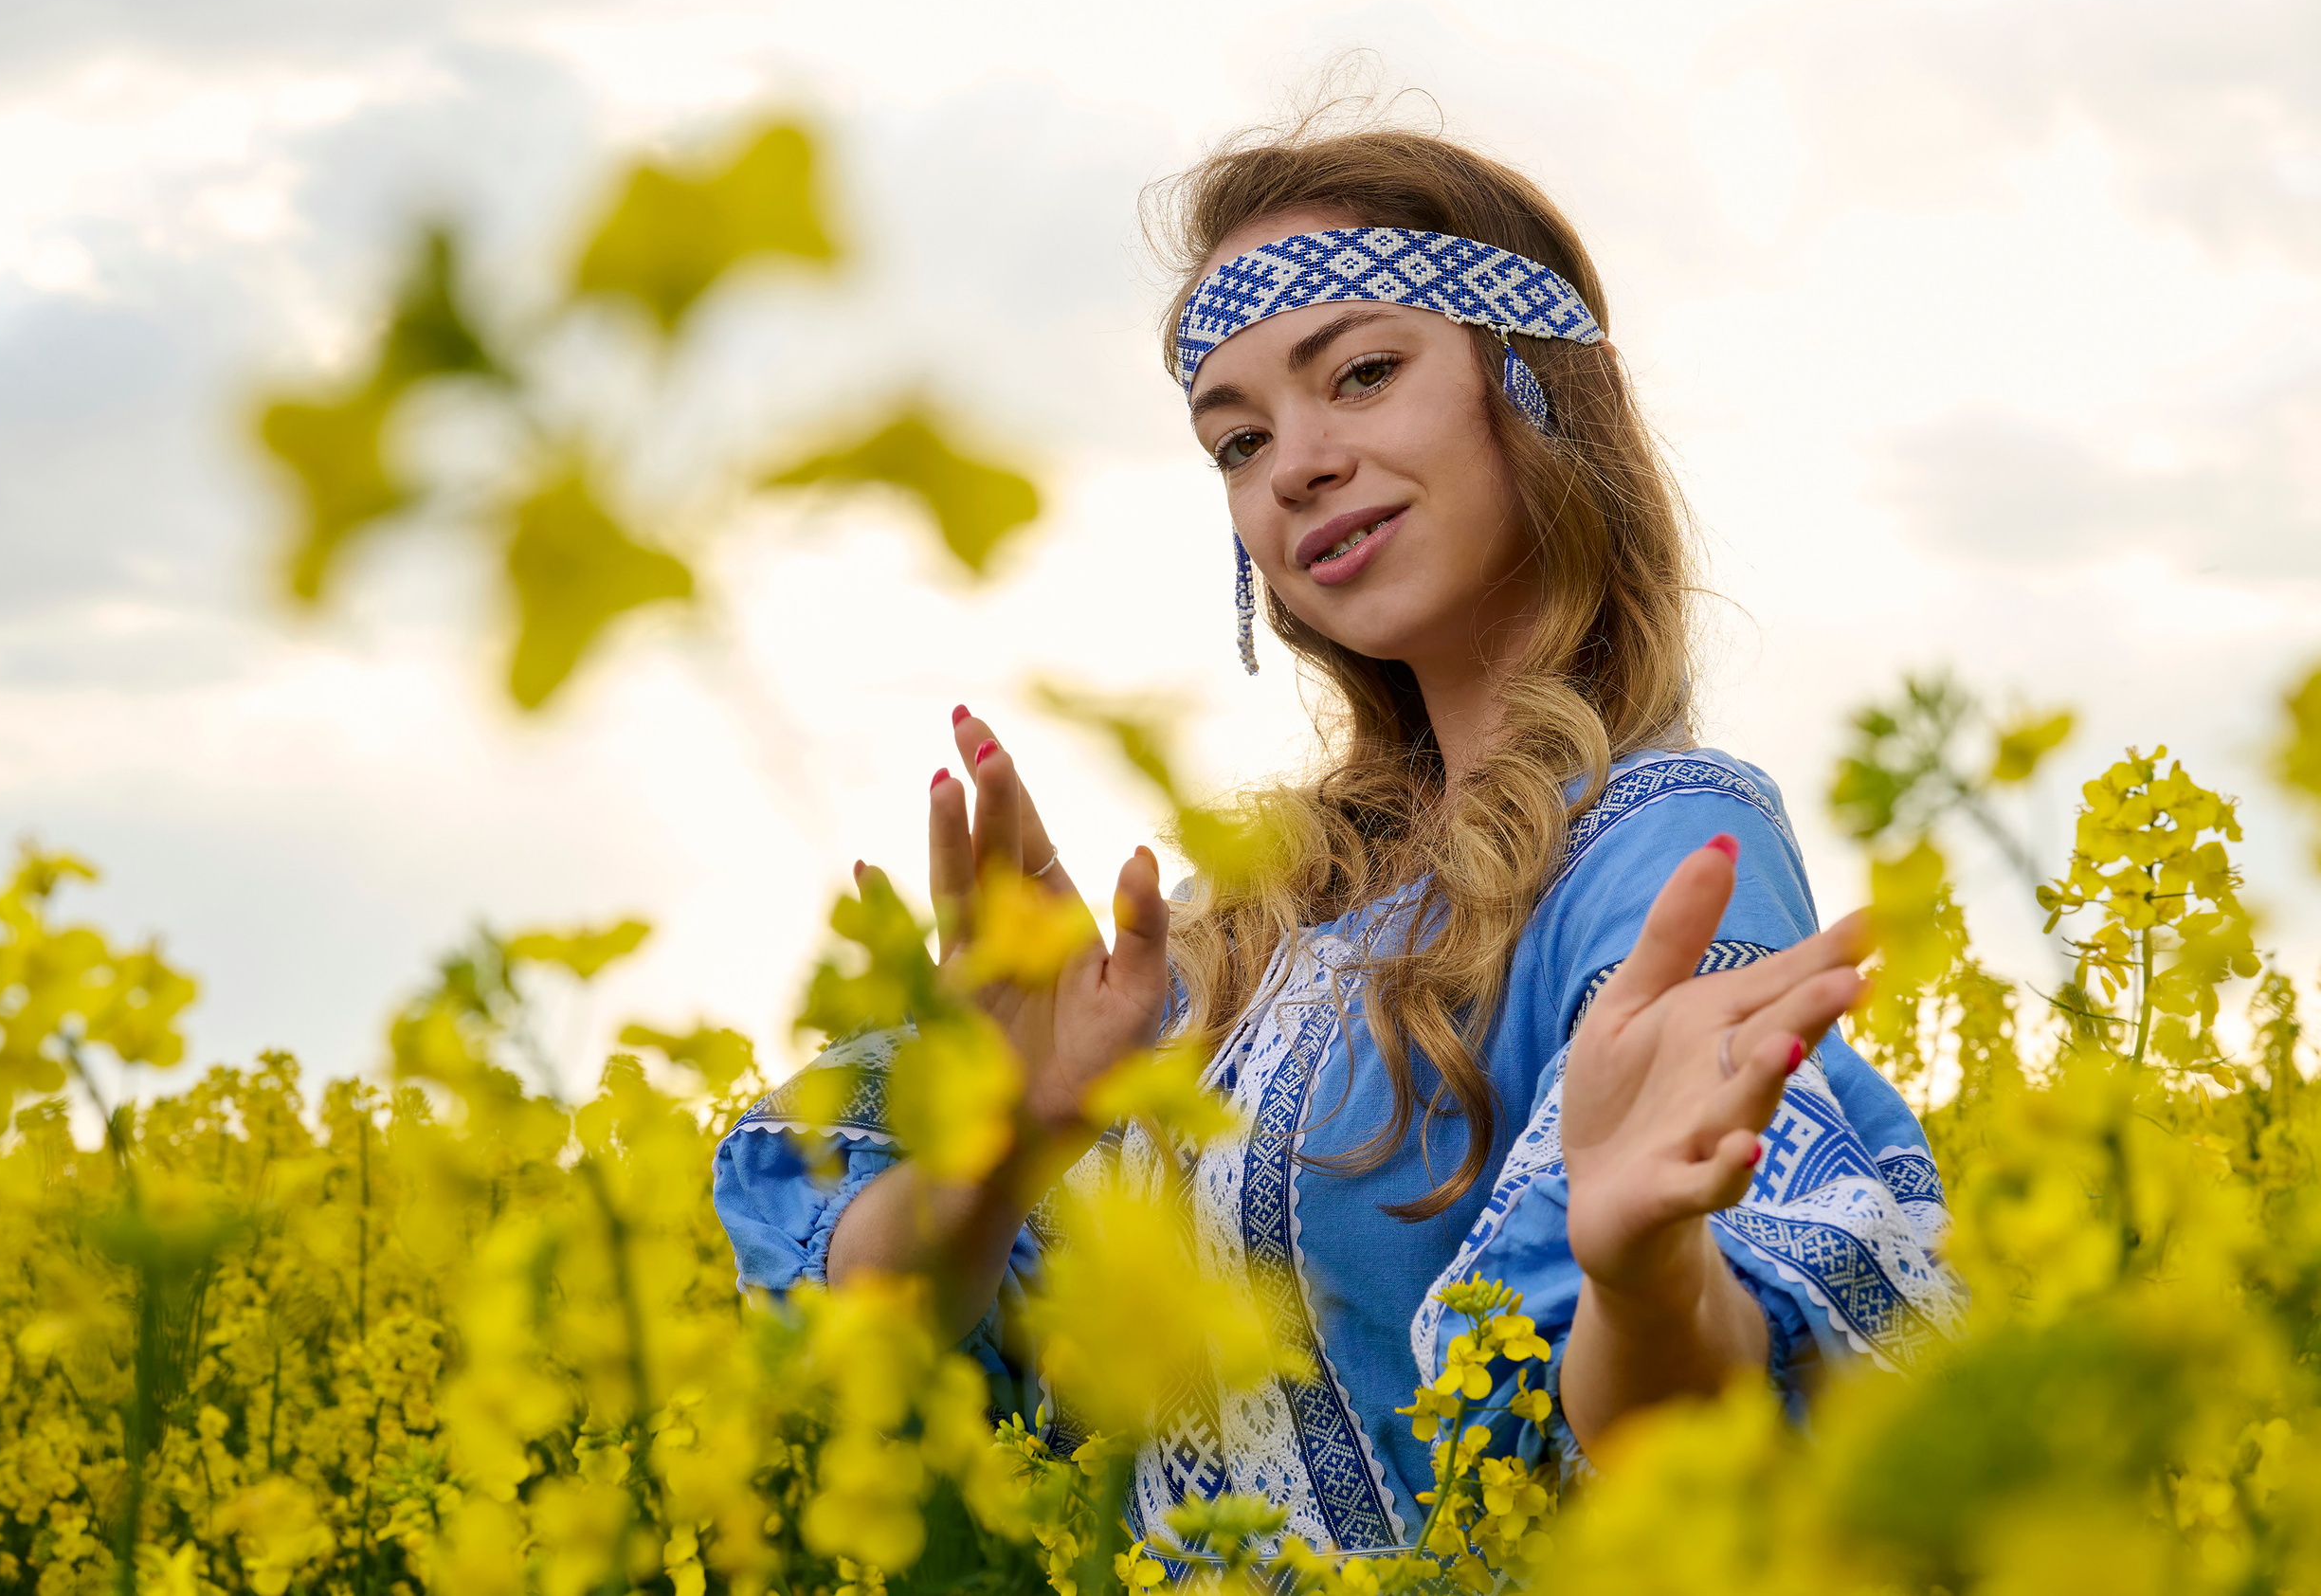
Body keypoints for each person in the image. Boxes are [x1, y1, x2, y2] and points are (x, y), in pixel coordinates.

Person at [713, 122, 1956, 1555]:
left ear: (1536, 385)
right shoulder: (1254, 917)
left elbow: (1703, 1424)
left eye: (1362, 373)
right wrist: (1006, 1145)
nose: (1294, 467)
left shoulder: (1662, 848)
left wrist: (1645, 1279)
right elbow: (879, 1331)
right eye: (1238, 441)